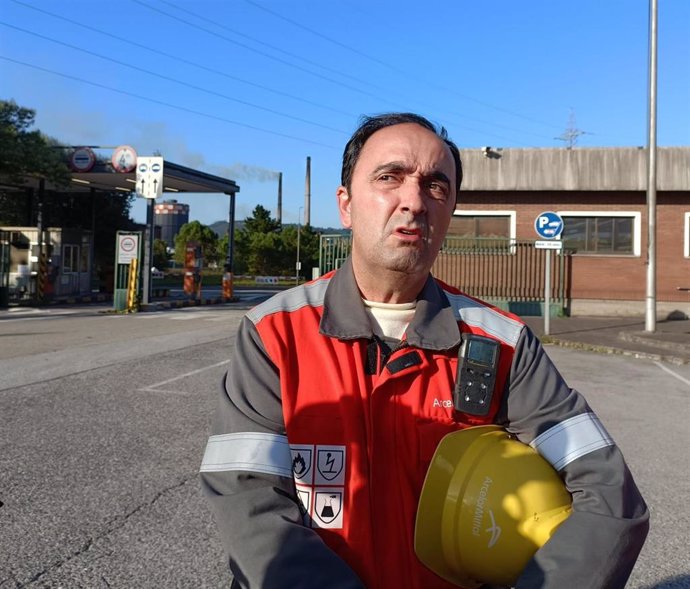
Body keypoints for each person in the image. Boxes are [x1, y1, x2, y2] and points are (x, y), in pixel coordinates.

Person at [200, 113, 649, 588]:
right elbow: (247, 497)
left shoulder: (503, 343)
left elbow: (611, 496)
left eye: (436, 185)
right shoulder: (274, 332)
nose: (414, 201)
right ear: (346, 205)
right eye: (389, 177)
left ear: (450, 210)